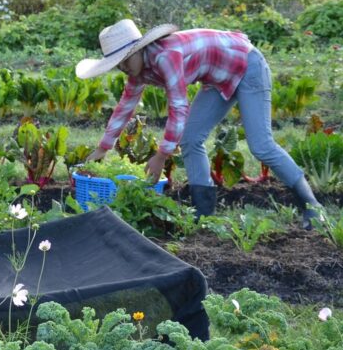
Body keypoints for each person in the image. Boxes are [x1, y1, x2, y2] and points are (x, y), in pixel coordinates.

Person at [76, 19, 322, 229]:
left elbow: (179, 107)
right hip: (217, 78)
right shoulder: (137, 71)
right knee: (191, 139)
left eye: (126, 59)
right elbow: (125, 107)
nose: (123, 67)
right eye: (118, 63)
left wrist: (162, 154)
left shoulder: (165, 56)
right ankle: (203, 214)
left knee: (261, 145)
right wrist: (103, 148)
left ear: (140, 49)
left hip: (247, 66)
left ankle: (312, 207)